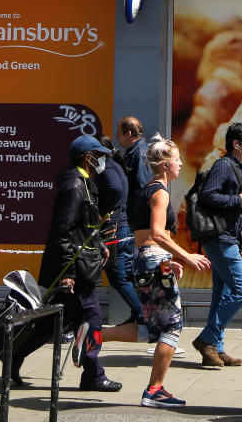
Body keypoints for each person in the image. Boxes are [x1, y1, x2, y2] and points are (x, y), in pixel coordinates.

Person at [72, 135, 211, 408]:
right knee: (172, 327)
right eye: (177, 160)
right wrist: (187, 256)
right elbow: (158, 234)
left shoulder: (148, 189)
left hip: (147, 260)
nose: (181, 164)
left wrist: (168, 261)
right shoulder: (160, 192)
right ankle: (154, 390)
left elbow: (147, 236)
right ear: (165, 165)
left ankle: (95, 334)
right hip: (152, 260)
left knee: (152, 328)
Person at [11, 135, 121, 392]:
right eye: (99, 155)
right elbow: (62, 231)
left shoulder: (83, 182)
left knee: (51, 324)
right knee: (91, 318)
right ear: (88, 157)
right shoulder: (75, 185)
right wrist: (68, 273)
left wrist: (100, 246)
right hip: (75, 270)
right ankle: (93, 376)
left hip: (80, 264)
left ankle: (13, 355)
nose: (103, 160)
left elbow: (82, 228)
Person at [191, 121, 242, 368]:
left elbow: (235, 218)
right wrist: (236, 199)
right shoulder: (224, 165)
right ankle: (207, 338)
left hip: (229, 239)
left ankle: (214, 349)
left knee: (222, 294)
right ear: (236, 144)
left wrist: (240, 245)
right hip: (218, 239)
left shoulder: (237, 166)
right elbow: (208, 195)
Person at [96, 135, 143, 325]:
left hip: (114, 229)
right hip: (121, 227)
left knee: (118, 277)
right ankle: (139, 312)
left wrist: (104, 211)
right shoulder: (116, 167)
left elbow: (114, 190)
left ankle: (141, 313)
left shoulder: (107, 169)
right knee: (123, 276)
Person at [116, 116, 151, 210]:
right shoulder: (136, 152)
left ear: (128, 134)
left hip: (136, 215)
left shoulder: (139, 153)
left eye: (118, 133)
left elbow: (141, 187)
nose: (116, 136)